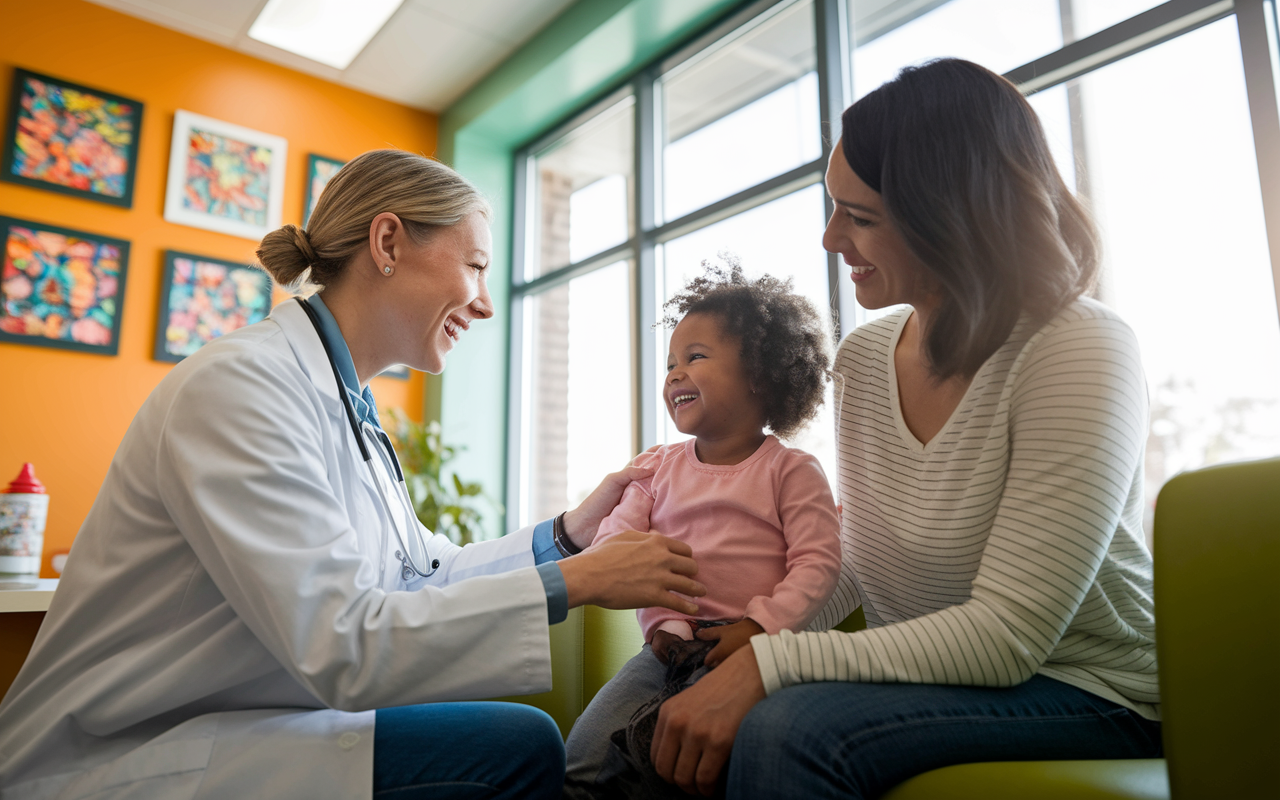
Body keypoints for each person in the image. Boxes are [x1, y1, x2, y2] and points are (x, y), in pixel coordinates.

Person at [0, 150, 707, 800]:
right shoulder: (244, 387)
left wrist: (567, 537)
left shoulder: (351, 410)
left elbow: (419, 574)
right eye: (477, 266)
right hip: (119, 755)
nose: (487, 303)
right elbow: (340, 639)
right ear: (389, 243)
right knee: (518, 747)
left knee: (514, 738)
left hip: (226, 727)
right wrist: (581, 582)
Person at [647, 58, 1164, 798]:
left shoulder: (1079, 348)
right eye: (834, 208)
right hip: (945, 678)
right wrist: (761, 631)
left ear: (952, 220)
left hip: (1089, 689)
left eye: (859, 217)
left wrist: (774, 664)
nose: (830, 239)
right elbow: (863, 550)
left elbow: (1008, 637)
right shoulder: (863, 358)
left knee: (789, 730)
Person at [563, 265, 842, 797]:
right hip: (668, 649)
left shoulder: (792, 470)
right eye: (670, 363)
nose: (672, 374)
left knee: (702, 770)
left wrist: (760, 628)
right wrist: (662, 625)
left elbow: (819, 564)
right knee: (583, 759)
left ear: (759, 373)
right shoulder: (656, 468)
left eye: (694, 357)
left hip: (756, 650)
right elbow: (615, 555)